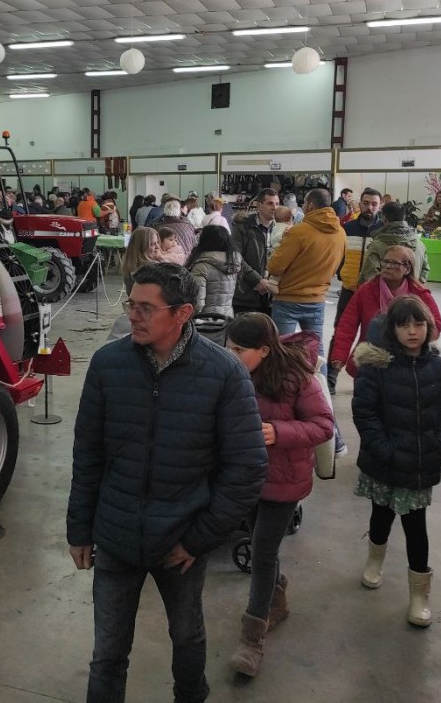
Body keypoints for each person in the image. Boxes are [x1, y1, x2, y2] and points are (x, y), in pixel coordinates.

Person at [67, 263, 267, 703]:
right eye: (130, 304)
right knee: (107, 654)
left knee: (188, 637)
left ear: (182, 313)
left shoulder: (223, 374)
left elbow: (248, 466)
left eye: (145, 307)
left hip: (181, 540)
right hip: (116, 535)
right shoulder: (107, 364)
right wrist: (80, 528)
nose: (133, 315)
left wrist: (199, 539)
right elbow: (89, 453)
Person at [224, 313, 333, 676]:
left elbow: (323, 425)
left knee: (263, 550)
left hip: (284, 482)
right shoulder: (233, 375)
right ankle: (277, 596)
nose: (230, 353)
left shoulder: (298, 378)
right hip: (247, 479)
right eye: (229, 346)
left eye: (239, 349)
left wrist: (278, 431)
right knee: (260, 545)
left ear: (265, 351)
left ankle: (252, 638)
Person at [352, 295, 441, 627]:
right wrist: (386, 451)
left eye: (419, 324)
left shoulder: (439, 368)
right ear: (391, 330)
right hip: (386, 461)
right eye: (404, 324)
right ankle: (374, 560)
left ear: (429, 326)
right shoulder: (376, 369)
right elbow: (365, 416)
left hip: (421, 463)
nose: (413, 331)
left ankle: (419, 596)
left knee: (416, 527)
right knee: (381, 516)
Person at [329, 245, 441, 383]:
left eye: (395, 263)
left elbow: (435, 324)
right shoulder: (367, 290)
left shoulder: (419, 293)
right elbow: (347, 324)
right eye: (386, 261)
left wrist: (413, 343)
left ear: (407, 269)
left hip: (407, 361)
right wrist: (339, 356)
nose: (388, 266)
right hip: (370, 358)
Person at [265, 188, 343, 353]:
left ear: (311, 206)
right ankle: (320, 379)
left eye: (305, 203)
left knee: (281, 350)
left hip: (288, 299)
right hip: (317, 299)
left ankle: (284, 380)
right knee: (316, 351)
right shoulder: (341, 233)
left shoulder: (299, 232)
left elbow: (275, 266)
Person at [329, 188, 384, 392]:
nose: (369, 207)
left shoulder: (383, 231)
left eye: (374, 204)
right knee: (340, 333)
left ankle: (364, 379)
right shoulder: (347, 227)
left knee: (372, 336)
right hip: (349, 289)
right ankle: (331, 377)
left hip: (373, 294)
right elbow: (340, 253)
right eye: (366, 203)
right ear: (359, 204)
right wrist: (341, 272)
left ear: (379, 206)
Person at [231, 189, 279, 315]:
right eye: (270, 203)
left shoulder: (282, 228)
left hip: (273, 295)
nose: (274, 208)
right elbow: (235, 256)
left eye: (277, 204)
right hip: (246, 295)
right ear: (258, 205)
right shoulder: (243, 226)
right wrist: (256, 280)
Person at [359, 201, 429, 284]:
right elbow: (425, 270)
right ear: (404, 217)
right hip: (412, 295)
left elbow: (368, 278)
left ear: (384, 218)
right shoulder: (419, 244)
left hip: (384, 296)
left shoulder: (377, 245)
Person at [186, 225, 240, 318]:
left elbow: (198, 303)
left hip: (205, 321)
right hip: (227, 316)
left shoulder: (201, 266)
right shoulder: (233, 264)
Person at [120, 227, 163, 296]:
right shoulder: (153, 269)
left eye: (157, 242)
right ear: (141, 248)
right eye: (152, 244)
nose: (157, 247)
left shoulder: (129, 266)